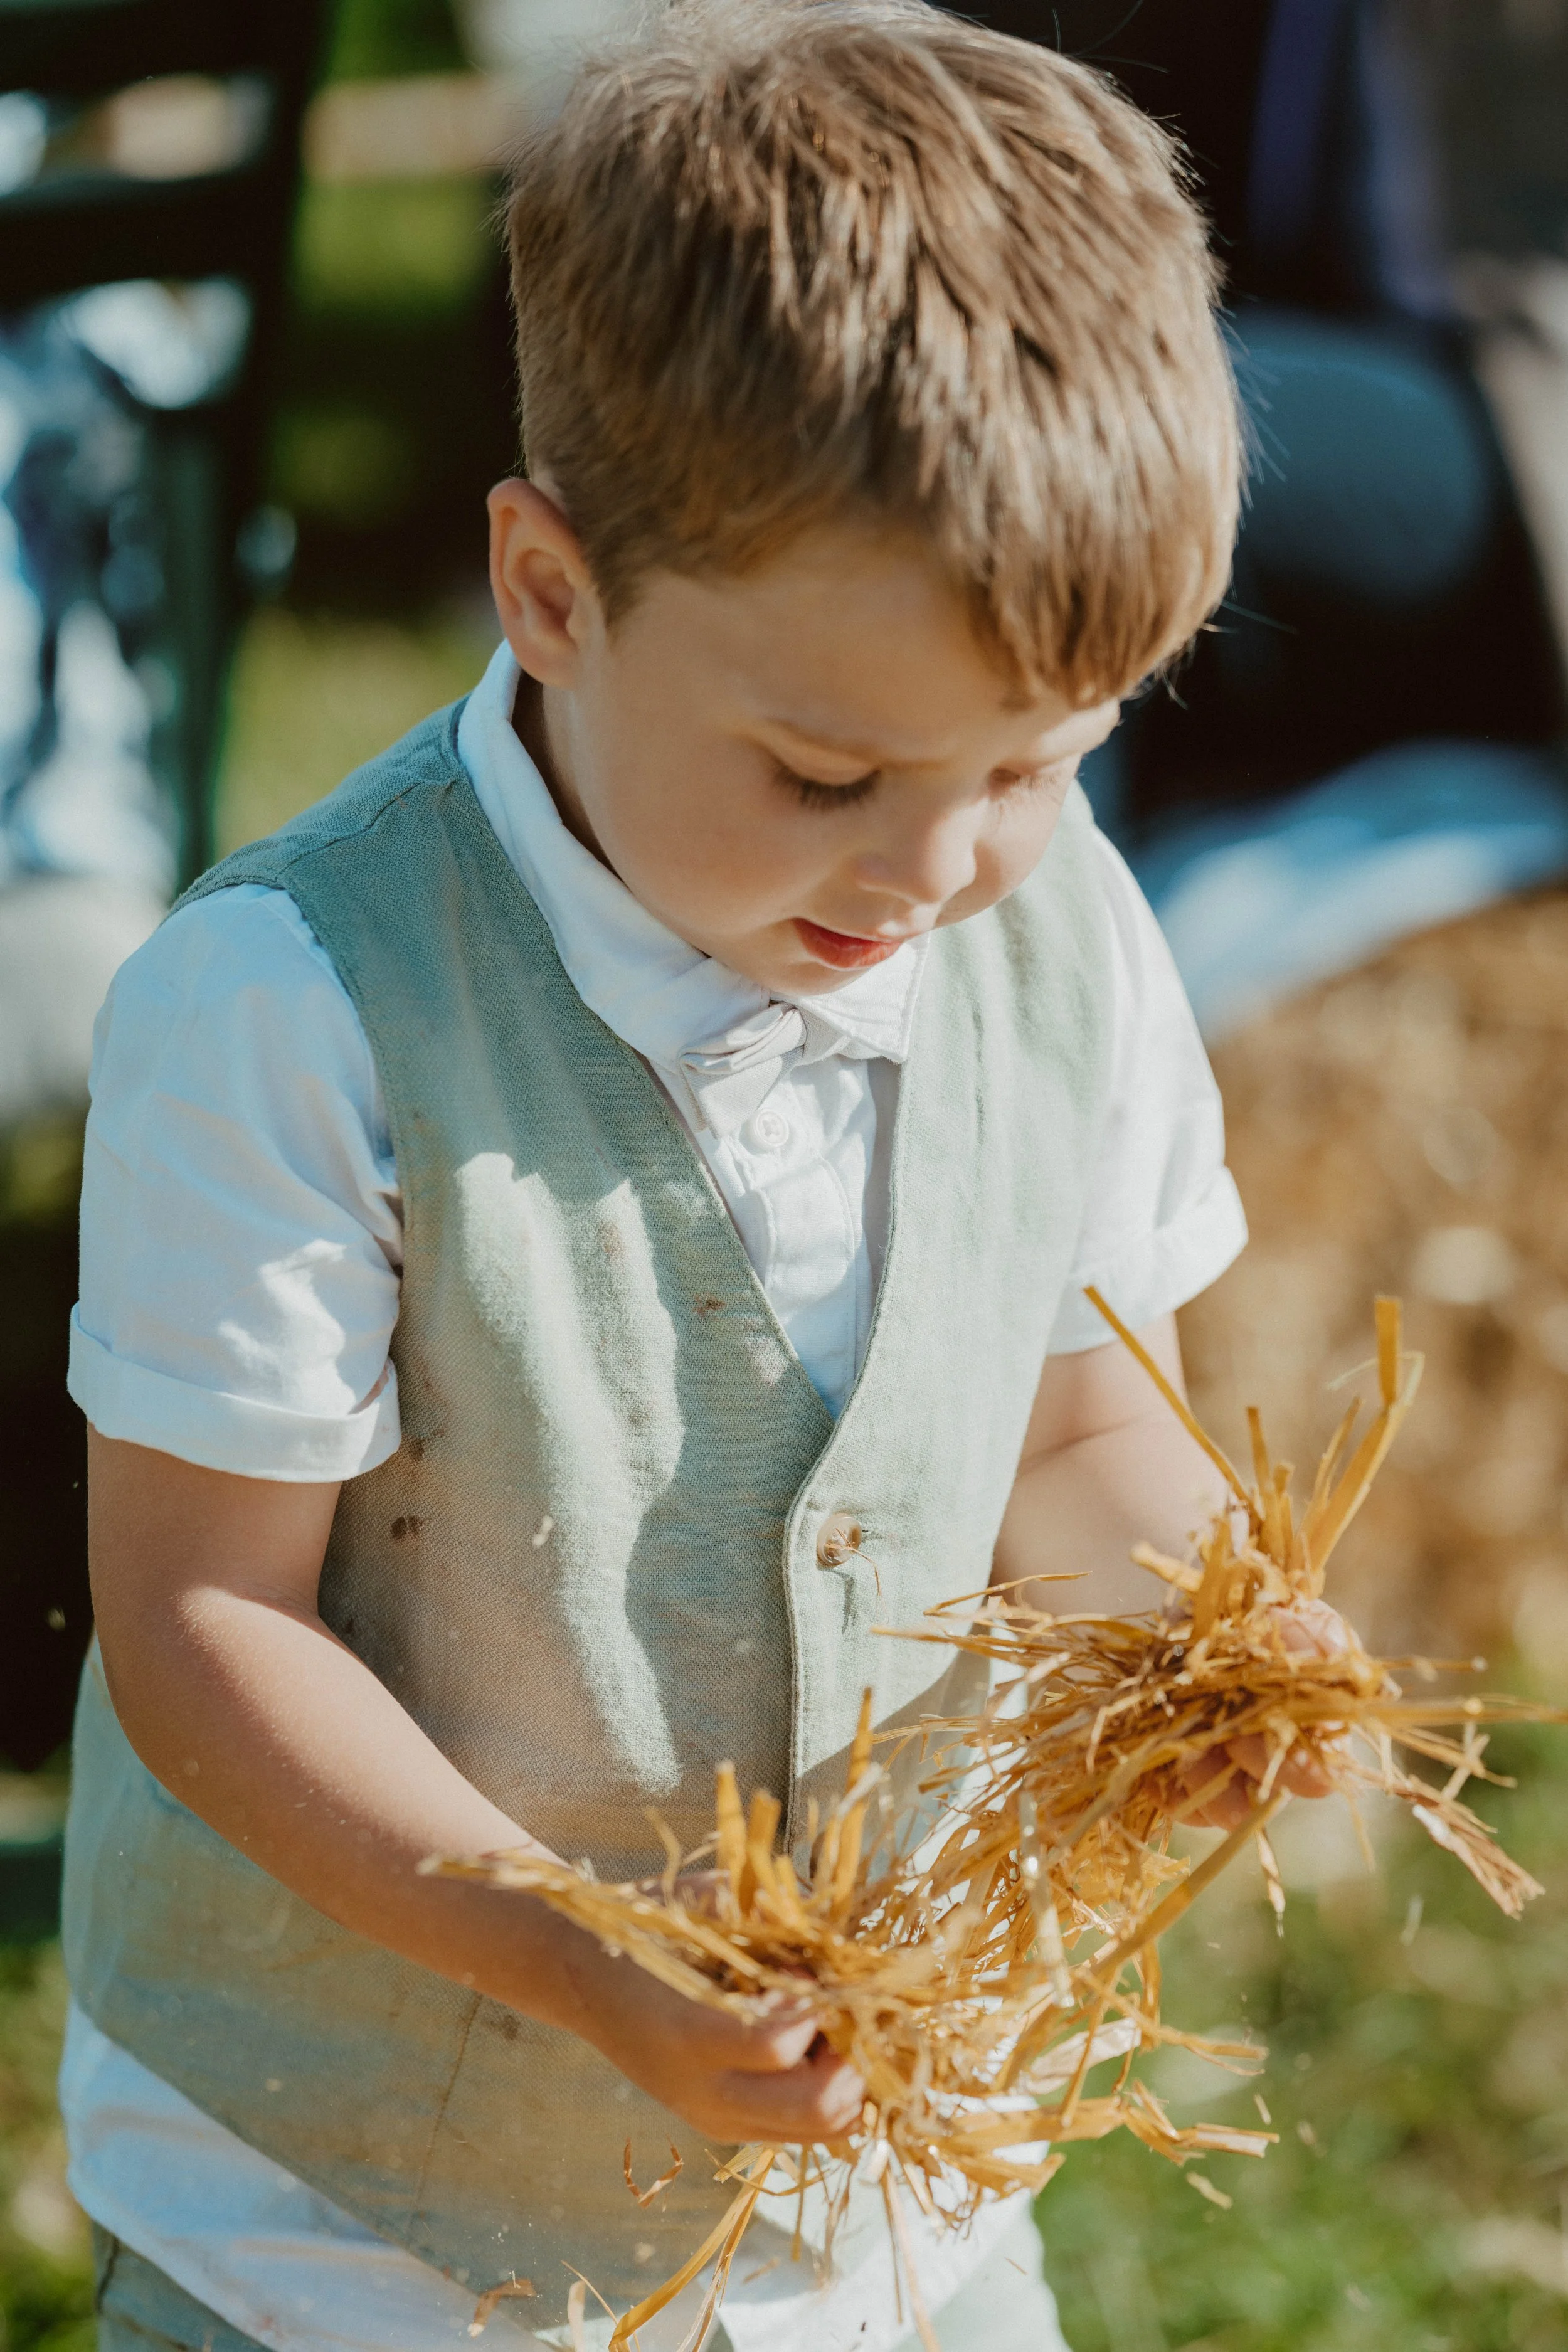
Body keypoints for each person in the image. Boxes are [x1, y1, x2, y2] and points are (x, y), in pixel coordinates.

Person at [60, 6, 1323, 2346]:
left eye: (1036, 765)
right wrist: (575, 1946)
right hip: (356, 2238)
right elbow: (204, 1623)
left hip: (888, 2215)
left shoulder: (1051, 939)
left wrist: (1203, 1620)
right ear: (548, 593)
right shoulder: (292, 1008)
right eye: (826, 769)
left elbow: (1062, 1416)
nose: (938, 867)